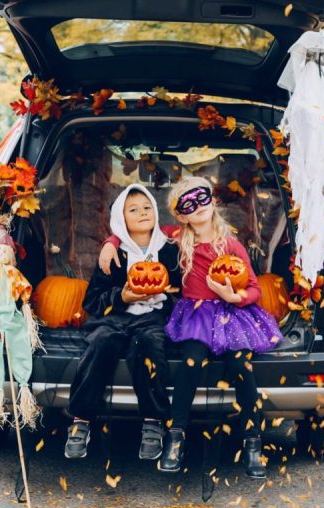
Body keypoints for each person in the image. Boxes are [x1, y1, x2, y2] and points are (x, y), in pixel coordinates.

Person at [99, 176, 282, 479]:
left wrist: (232, 296)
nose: (198, 206)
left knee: (241, 364)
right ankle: (176, 435)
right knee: (191, 362)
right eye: (188, 203)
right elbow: (142, 231)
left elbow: (254, 289)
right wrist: (112, 242)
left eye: (202, 198)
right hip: (195, 317)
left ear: (213, 202)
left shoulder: (231, 244)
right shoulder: (176, 238)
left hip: (231, 314)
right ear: (180, 214)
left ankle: (252, 442)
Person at [64, 184, 181, 461]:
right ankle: (81, 420)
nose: (142, 213)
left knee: (149, 345)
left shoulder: (171, 250)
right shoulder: (115, 254)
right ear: (120, 218)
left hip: (153, 318)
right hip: (115, 316)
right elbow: (92, 301)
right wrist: (122, 295)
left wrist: (167, 297)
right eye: (133, 210)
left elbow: (183, 292)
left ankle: (153, 421)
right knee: (100, 342)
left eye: (147, 207)